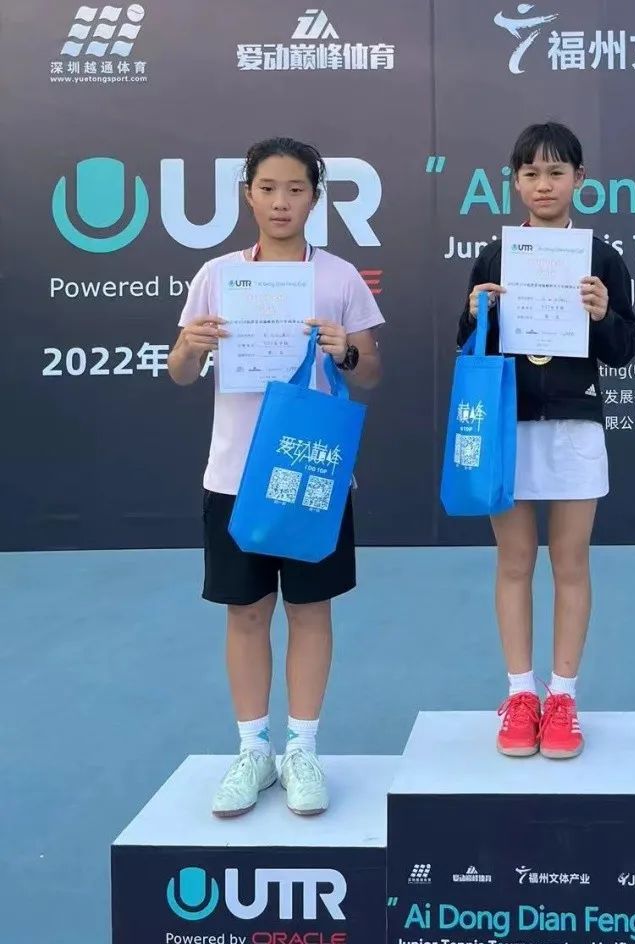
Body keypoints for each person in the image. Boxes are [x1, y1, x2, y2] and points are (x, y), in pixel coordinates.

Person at [167, 137, 384, 817]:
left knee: (310, 611)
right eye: (268, 188)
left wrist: (346, 352)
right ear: (248, 195)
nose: (281, 202)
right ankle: (253, 750)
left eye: (296, 189)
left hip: (310, 472)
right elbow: (180, 372)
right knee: (246, 612)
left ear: (315, 198)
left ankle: (303, 750)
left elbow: (371, 371)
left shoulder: (339, 277)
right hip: (235, 474)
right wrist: (190, 347)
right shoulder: (217, 275)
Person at [457, 121, 635, 759]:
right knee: (514, 560)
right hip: (507, 422)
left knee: (570, 562)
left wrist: (603, 314)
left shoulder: (601, 259)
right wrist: (477, 311)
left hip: (573, 425)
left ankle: (562, 696)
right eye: (531, 173)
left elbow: (623, 348)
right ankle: (519, 693)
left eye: (556, 173)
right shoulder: (495, 256)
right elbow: (467, 342)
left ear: (579, 180)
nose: (544, 184)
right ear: (514, 182)